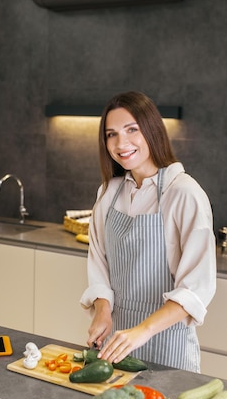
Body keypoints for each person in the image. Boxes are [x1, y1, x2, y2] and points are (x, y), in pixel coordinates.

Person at [80, 91, 216, 372]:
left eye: (132, 130)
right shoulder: (109, 194)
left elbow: (195, 290)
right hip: (115, 346)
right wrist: (103, 311)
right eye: (111, 134)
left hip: (169, 351)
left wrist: (140, 332)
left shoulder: (184, 193)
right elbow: (99, 263)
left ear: (152, 131)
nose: (121, 143)